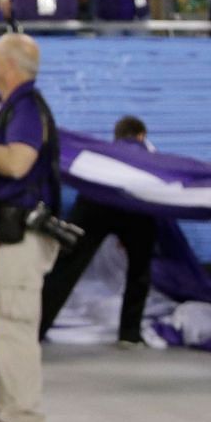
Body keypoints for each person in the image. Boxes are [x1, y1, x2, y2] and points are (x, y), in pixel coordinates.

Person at [0, 34, 60, 422]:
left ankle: (24, 415)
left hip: (21, 234)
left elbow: (16, 163)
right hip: (2, 236)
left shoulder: (26, 107)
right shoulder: (3, 107)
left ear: (10, 65)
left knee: (13, 324)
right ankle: (5, 408)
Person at [37, 115, 159, 349]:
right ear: (141, 135)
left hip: (96, 204)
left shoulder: (105, 156)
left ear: (117, 136)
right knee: (139, 271)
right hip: (137, 210)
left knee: (67, 267)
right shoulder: (148, 157)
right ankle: (130, 334)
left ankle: (37, 327)